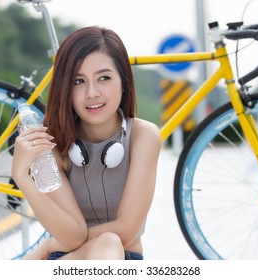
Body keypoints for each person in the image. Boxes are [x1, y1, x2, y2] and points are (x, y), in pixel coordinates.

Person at [11, 26, 161, 260]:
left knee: (110, 243)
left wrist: (50, 244)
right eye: (78, 81)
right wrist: (21, 175)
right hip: (67, 259)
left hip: (118, 259)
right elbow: (72, 236)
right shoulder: (55, 144)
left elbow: (127, 230)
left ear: (123, 80)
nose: (92, 92)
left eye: (104, 78)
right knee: (107, 243)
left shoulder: (144, 136)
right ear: (64, 89)